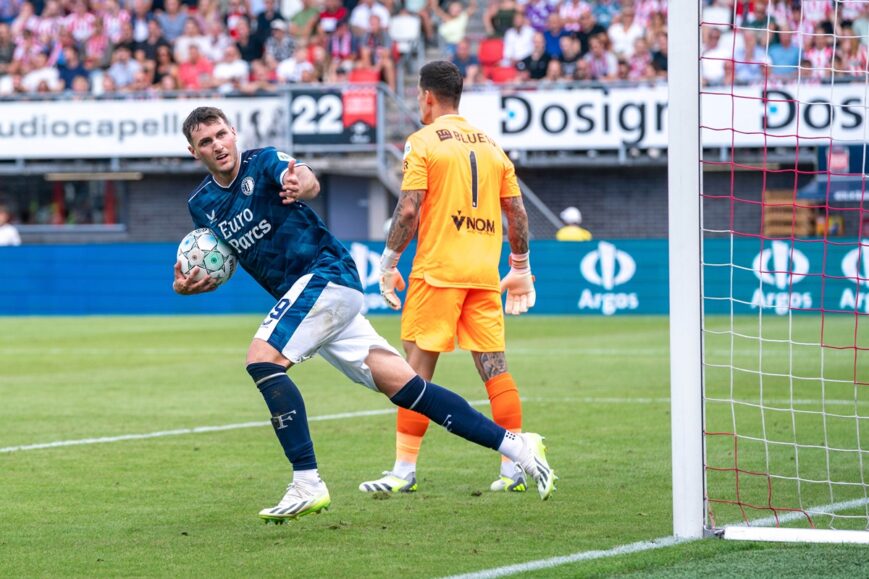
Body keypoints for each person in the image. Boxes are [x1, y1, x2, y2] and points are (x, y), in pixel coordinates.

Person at [173, 106, 557, 522]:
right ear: (195, 153)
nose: (217, 146)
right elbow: (215, 259)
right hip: (313, 299)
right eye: (205, 142)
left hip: (326, 275)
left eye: (220, 135)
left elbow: (303, 175)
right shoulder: (202, 204)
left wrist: (300, 181)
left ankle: (306, 481)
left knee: (262, 360)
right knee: (408, 388)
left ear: (233, 132)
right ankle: (518, 446)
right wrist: (188, 283)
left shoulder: (264, 162)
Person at [358, 61, 539, 495]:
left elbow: (407, 209)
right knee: (495, 371)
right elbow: (516, 213)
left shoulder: (422, 142)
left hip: (437, 274)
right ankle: (514, 467)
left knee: (413, 374)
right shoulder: (492, 146)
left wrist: (387, 264)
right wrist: (519, 268)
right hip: (481, 275)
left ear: (427, 97)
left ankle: (403, 471)